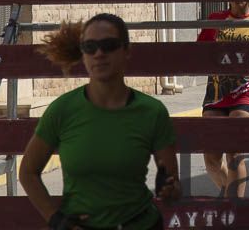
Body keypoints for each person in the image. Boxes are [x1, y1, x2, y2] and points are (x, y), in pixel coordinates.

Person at [20, 14, 180, 230]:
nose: (99, 54)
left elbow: (172, 186)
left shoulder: (152, 112)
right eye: (90, 46)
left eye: (109, 45)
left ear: (126, 51)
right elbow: (28, 172)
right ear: (83, 54)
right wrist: (56, 220)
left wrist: (169, 188)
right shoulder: (62, 110)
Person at [197, 0, 249, 197]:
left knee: (234, 152)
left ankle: (234, 208)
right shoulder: (215, 19)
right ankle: (232, 197)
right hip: (216, 92)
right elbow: (199, 52)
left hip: (246, 91)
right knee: (211, 159)